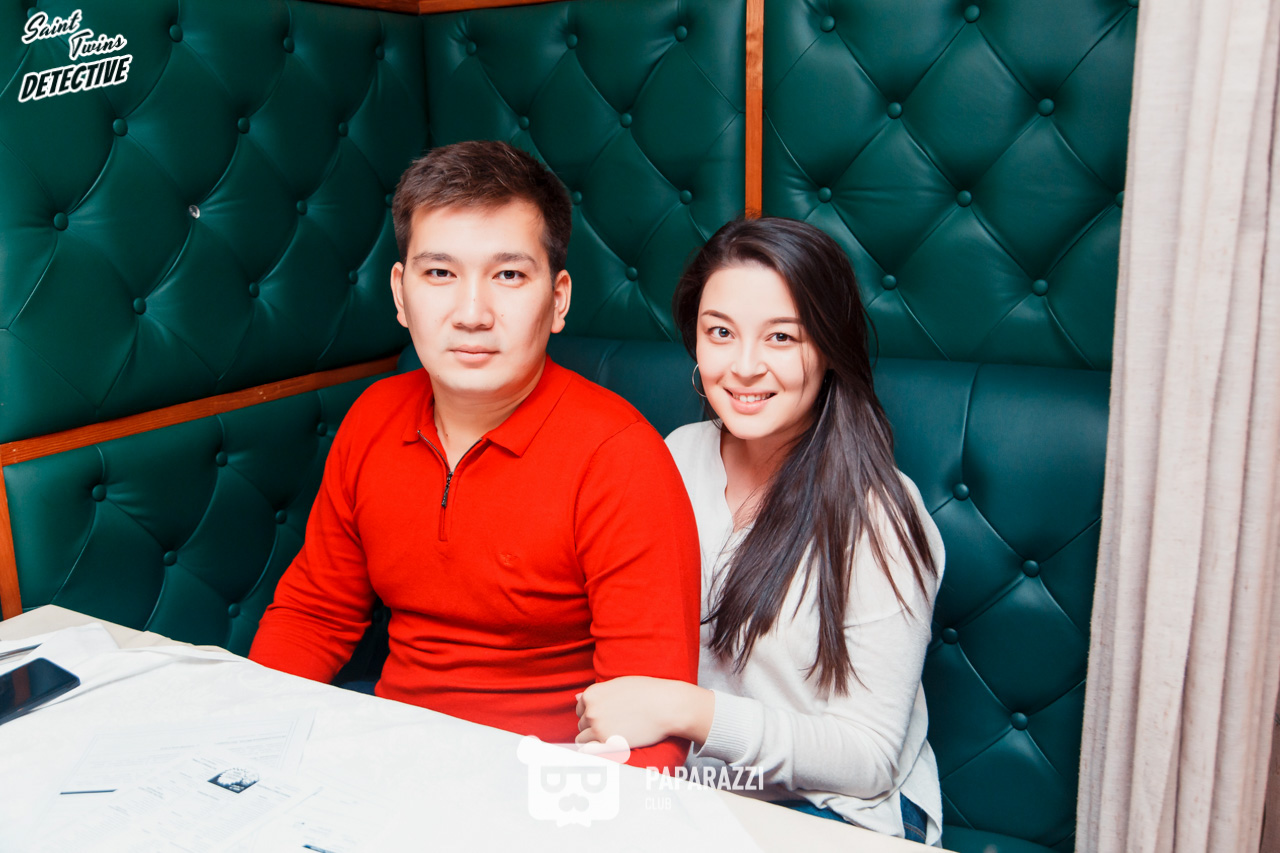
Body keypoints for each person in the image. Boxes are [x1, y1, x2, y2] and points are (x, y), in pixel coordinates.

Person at [249, 140, 701, 771]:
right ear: (401, 294)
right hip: (389, 758)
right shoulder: (374, 417)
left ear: (559, 299)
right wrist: (246, 741)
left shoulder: (620, 458)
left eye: (508, 275)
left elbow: (648, 724)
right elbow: (314, 616)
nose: (471, 314)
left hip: (549, 781)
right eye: (440, 274)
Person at [574, 217, 946, 843]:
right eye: (720, 332)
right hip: (698, 799)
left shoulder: (878, 511)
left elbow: (869, 758)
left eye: (781, 337)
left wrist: (684, 711)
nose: (744, 367)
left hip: (842, 811)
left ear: (828, 346)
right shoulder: (676, 456)